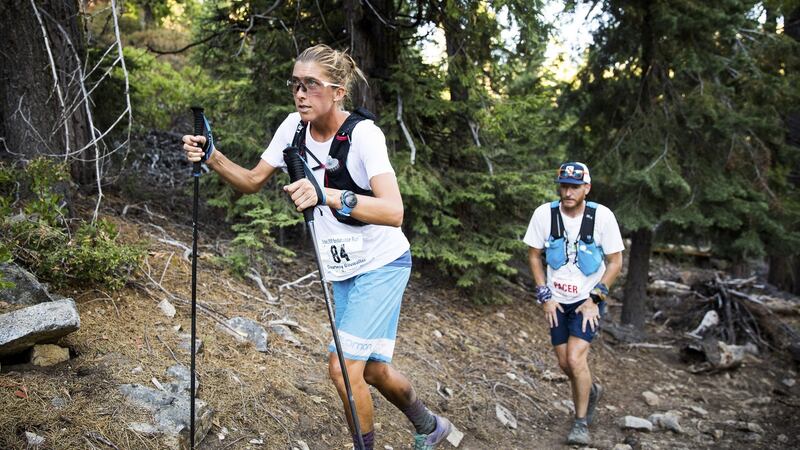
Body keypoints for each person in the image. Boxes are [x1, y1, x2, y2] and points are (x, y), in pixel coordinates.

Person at [181, 44, 451, 450]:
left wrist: (324, 195)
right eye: (295, 85)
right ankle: (430, 425)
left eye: (311, 85)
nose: (301, 94)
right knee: (374, 371)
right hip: (342, 268)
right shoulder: (292, 128)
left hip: (382, 261)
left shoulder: (364, 135)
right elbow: (253, 181)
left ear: (338, 91)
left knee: (343, 370)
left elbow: (394, 211)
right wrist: (212, 155)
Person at [523, 162, 624, 446]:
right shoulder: (545, 214)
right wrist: (544, 295)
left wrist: (596, 298)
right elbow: (534, 256)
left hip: (587, 300)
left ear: (586, 188)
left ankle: (580, 423)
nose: (568, 192)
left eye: (574, 187)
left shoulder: (602, 217)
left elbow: (616, 262)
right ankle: (589, 389)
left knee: (575, 359)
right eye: (564, 186)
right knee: (564, 362)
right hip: (556, 299)